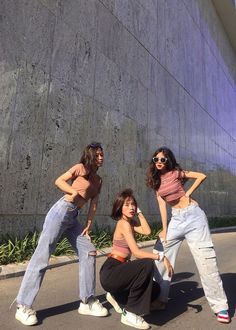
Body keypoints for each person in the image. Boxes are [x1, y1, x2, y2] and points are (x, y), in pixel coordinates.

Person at [15, 142, 108, 326]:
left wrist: (88, 225)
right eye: (97, 155)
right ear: (90, 155)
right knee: (43, 255)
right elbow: (59, 181)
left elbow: (94, 204)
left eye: (102, 154)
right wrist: (73, 190)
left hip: (73, 218)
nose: (101, 157)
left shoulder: (98, 180)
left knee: (89, 250)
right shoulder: (79, 168)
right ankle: (23, 305)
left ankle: (87, 301)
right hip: (61, 211)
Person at [146, 146, 230, 324]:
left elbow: (201, 176)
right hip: (175, 220)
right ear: (153, 162)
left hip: (194, 217)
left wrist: (188, 193)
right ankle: (160, 299)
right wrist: (164, 229)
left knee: (206, 259)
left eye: (163, 159)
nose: (159, 162)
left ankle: (220, 305)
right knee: (160, 252)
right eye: (156, 160)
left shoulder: (177, 173)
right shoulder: (156, 182)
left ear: (168, 161)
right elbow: (162, 206)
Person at [100, 189, 173, 330]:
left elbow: (147, 231)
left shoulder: (130, 222)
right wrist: (161, 257)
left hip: (119, 269)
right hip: (111, 270)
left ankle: (117, 296)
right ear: (119, 207)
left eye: (133, 204)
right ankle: (130, 313)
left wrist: (139, 212)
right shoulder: (123, 224)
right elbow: (137, 253)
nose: (131, 207)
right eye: (127, 205)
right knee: (146, 264)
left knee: (155, 289)